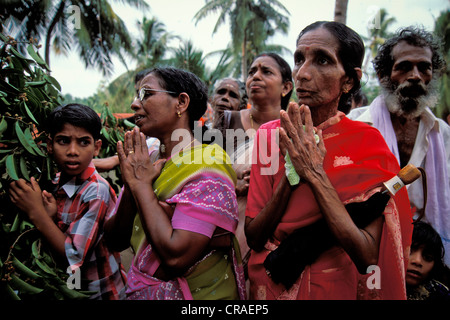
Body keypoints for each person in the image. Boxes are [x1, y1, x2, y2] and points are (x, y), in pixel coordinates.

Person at [245, 21, 413, 300]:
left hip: (334, 289)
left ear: (349, 80)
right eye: (299, 59)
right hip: (272, 284)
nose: (303, 73)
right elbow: (253, 236)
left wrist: (313, 172)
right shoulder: (269, 136)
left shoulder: (368, 142)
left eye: (322, 60)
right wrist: (291, 174)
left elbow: (367, 255)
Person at [103, 67, 246, 300]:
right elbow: (114, 239)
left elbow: (176, 256)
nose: (134, 105)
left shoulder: (207, 164)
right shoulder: (146, 159)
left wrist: (141, 187)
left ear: (181, 102)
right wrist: (132, 186)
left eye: (146, 94)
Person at [348, 26, 450, 266]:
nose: (415, 75)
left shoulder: (444, 136)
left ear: (432, 75)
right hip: (364, 255)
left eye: (424, 67)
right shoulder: (355, 125)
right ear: (384, 75)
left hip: (423, 261)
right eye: (404, 67)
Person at [8, 103, 126, 300]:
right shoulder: (53, 181)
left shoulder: (96, 191)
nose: (73, 151)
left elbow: (73, 255)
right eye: (63, 141)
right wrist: (52, 216)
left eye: (83, 142)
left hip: (100, 293)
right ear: (49, 145)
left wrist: (36, 212)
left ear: (96, 147)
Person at [214, 53, 293, 273]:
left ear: (286, 87)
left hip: (274, 229)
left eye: (266, 71)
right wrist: (235, 180)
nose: (255, 77)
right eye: (251, 72)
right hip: (225, 224)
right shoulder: (229, 120)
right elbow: (207, 170)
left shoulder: (292, 128)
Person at [93, 69, 160, 172]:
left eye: (147, 94)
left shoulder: (155, 143)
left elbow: (112, 162)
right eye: (139, 94)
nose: (135, 104)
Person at [406, 221, 450, 300]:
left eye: (428, 257)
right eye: (409, 252)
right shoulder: (378, 285)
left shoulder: (440, 294)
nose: (417, 261)